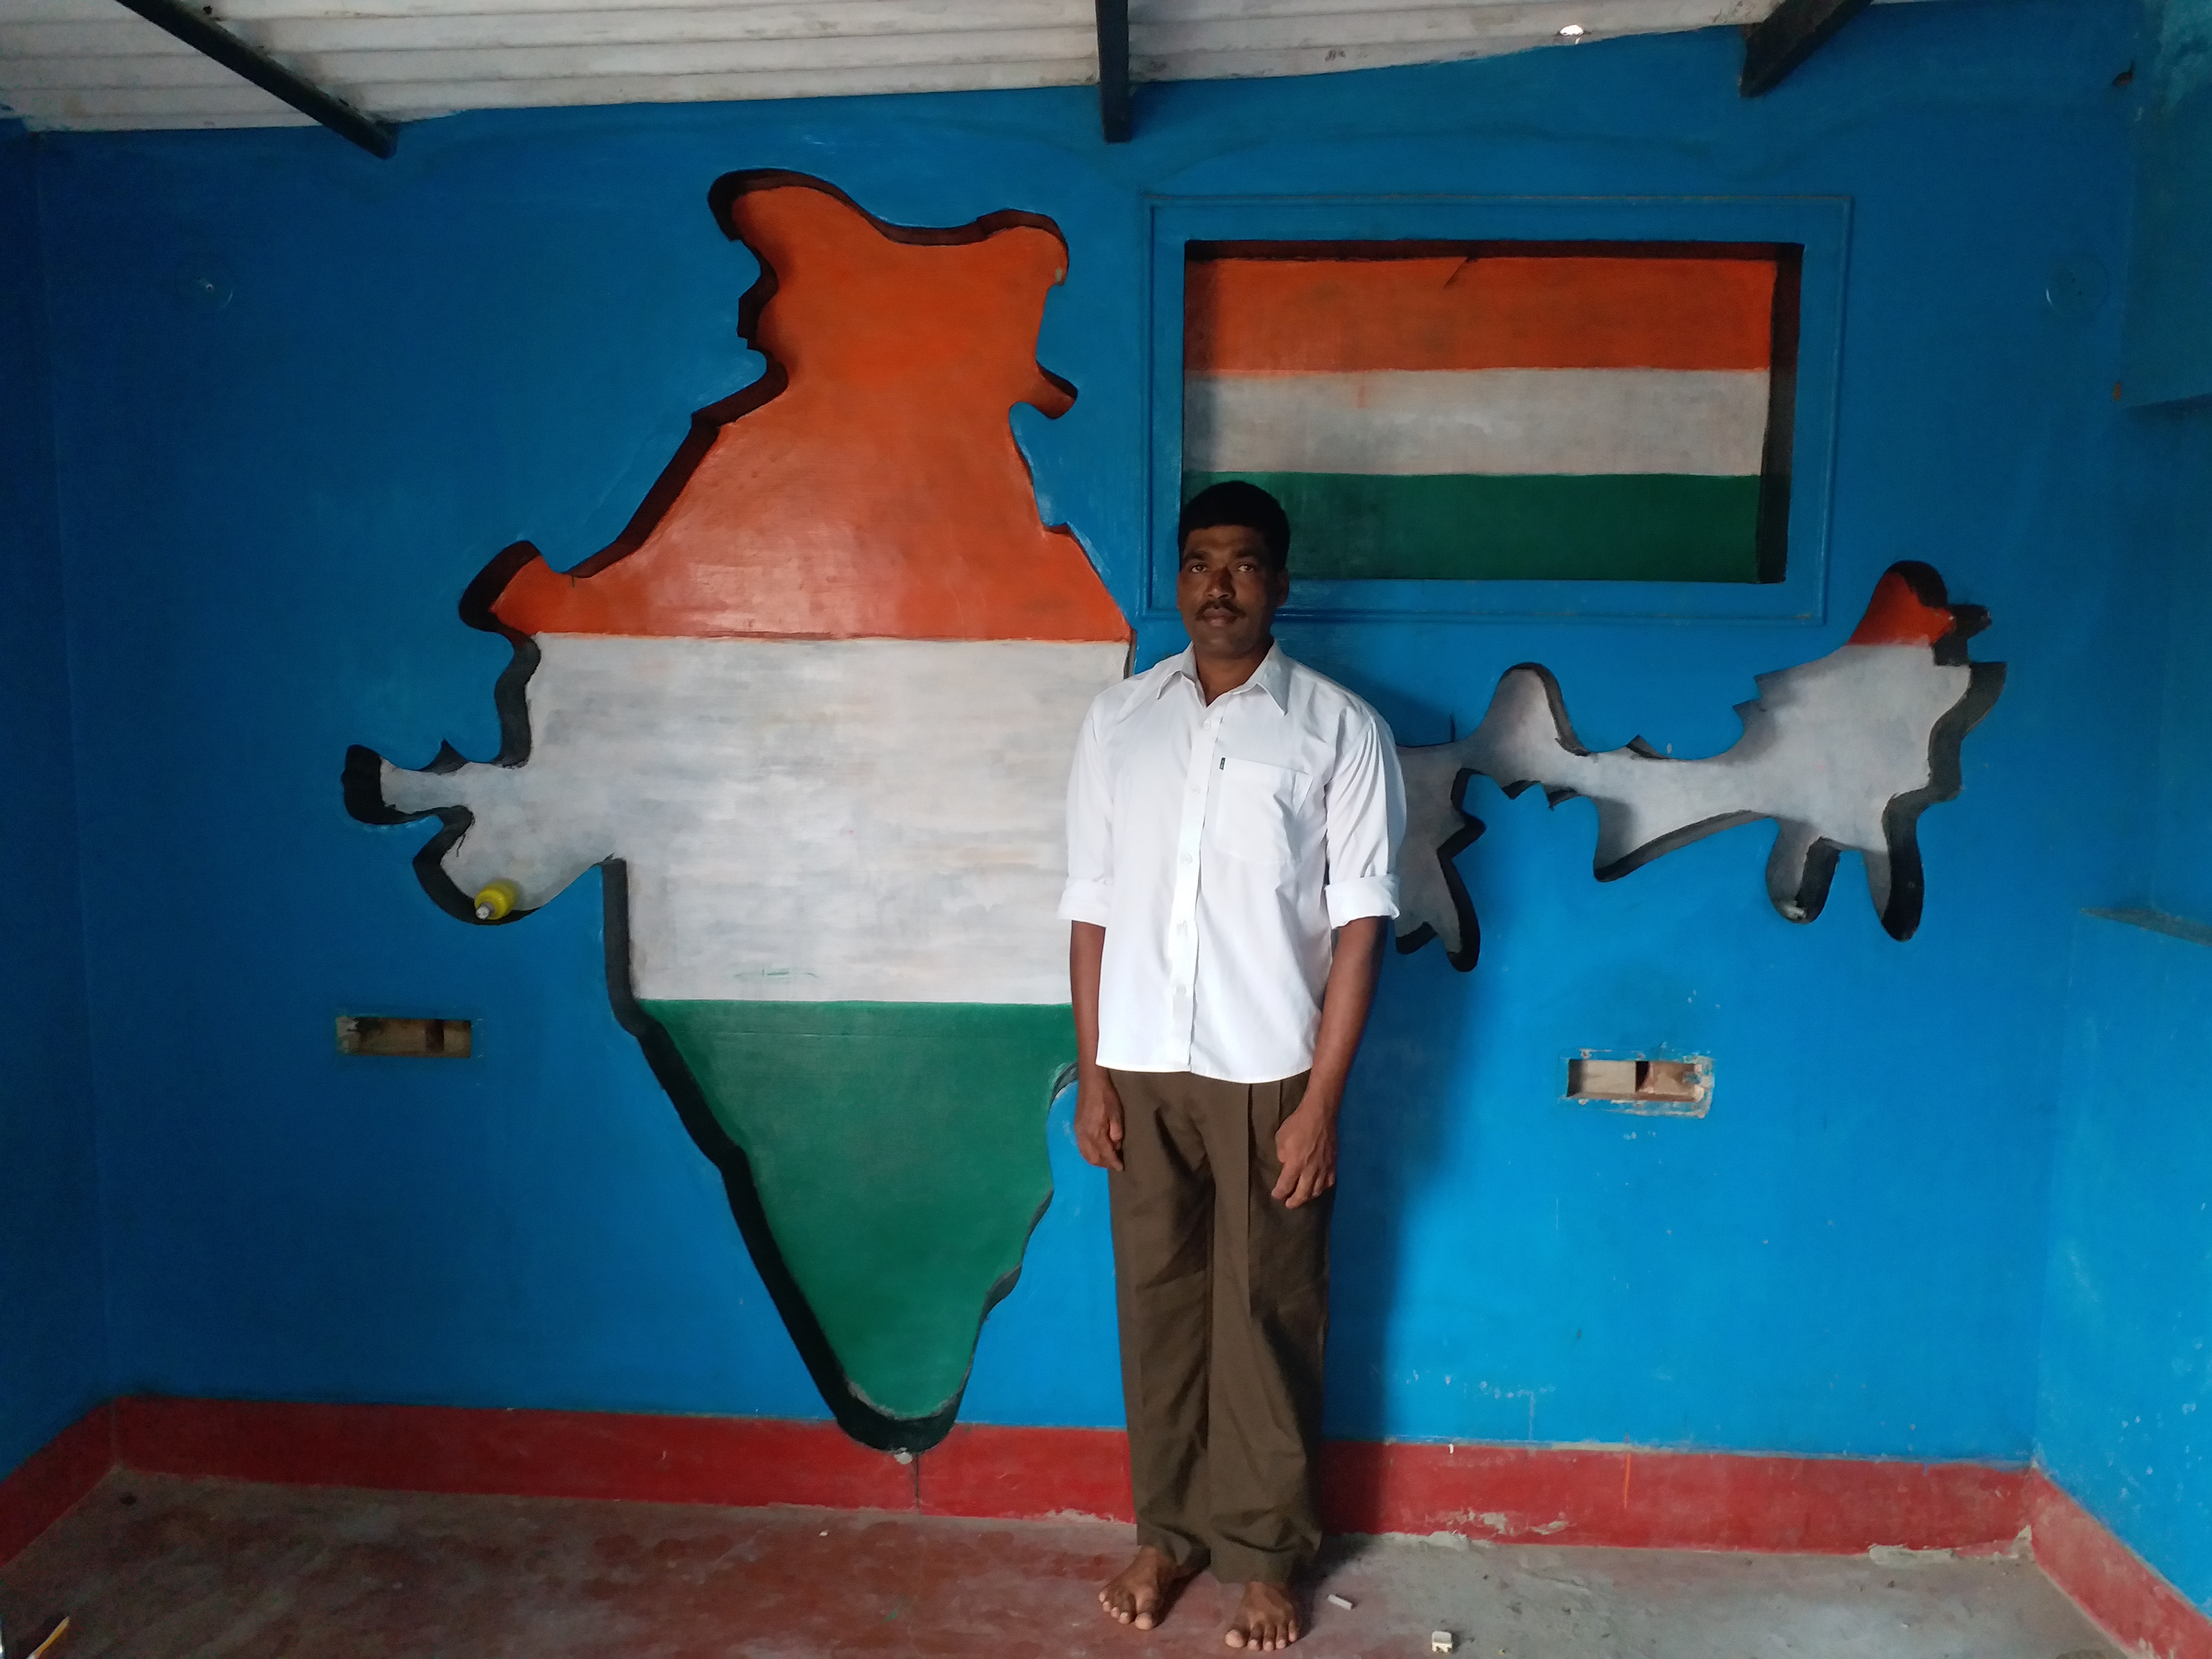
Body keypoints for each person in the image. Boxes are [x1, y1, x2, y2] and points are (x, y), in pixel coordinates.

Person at [1058, 481, 1406, 1651]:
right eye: (1200, 562)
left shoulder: (1338, 730)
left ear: (1281, 585)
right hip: (1141, 1065)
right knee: (1155, 1307)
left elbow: (1360, 926)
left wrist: (1321, 1102)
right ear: (1177, 580)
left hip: (1268, 1071)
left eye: (1245, 564)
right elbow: (1093, 907)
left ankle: (1266, 1554)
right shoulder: (1121, 723)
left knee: (1266, 1312)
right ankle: (1167, 1533)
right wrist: (1093, 1072)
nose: (1219, 585)